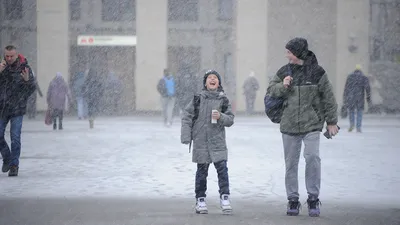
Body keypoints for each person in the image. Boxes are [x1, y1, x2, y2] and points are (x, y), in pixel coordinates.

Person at [267, 37, 339, 217]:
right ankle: (293, 200)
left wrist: (331, 121)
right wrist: (283, 85)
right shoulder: (284, 71)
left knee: (312, 158)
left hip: (312, 125)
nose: (287, 55)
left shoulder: (317, 72)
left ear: (298, 52)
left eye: (289, 52)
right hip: (289, 125)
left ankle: (313, 199)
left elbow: (328, 98)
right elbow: (271, 90)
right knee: (291, 164)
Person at [181, 70, 235, 214]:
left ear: (219, 82)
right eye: (209, 78)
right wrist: (186, 136)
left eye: (215, 78)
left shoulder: (223, 100)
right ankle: (200, 200)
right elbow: (187, 116)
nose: (212, 80)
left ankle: (225, 198)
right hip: (201, 141)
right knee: (201, 172)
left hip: (217, 141)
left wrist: (221, 117)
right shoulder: (197, 99)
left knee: (222, 170)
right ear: (205, 82)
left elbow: (230, 119)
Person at [0, 45, 36, 176]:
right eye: (7, 56)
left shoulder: (24, 68)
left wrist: (27, 81)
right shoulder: (1, 67)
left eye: (11, 56)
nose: (9, 59)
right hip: (2, 108)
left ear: (16, 55)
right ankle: (7, 158)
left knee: (15, 137)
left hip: (17, 108)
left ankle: (14, 165)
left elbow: (31, 89)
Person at [343, 64, 371, 132]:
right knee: (359, 112)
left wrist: (345, 97)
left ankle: (352, 124)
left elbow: (346, 88)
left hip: (351, 97)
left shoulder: (350, 77)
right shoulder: (364, 77)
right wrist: (368, 97)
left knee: (351, 111)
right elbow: (367, 88)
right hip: (360, 97)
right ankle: (358, 127)